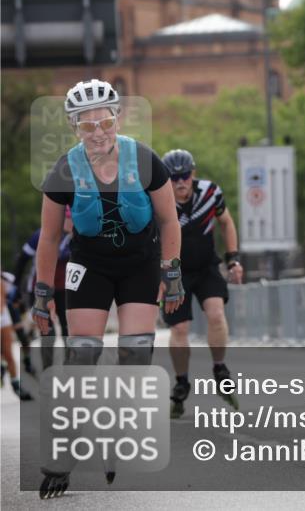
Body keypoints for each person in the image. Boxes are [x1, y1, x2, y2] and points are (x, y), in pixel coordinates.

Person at [32, 78, 183, 498]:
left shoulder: (145, 159)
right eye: (87, 126)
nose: (98, 132)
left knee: (135, 353)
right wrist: (43, 292)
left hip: (139, 265)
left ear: (118, 119)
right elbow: (47, 238)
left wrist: (171, 272)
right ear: (74, 128)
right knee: (82, 355)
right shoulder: (64, 169)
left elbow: (170, 221)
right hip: (89, 265)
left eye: (105, 122)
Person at [160, 149, 243, 418]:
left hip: (206, 265)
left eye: (184, 176)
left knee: (217, 314)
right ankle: (182, 380)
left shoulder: (210, 193)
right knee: (180, 328)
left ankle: (220, 367)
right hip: (175, 271)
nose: (180, 183)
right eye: (173, 178)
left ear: (193, 174)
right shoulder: (157, 202)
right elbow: (148, 242)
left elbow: (226, 223)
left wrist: (233, 260)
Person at [11, 209, 74, 370]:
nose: (73, 224)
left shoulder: (77, 236)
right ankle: (48, 370)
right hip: (40, 289)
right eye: (70, 220)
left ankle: (71, 368)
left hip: (64, 289)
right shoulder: (41, 234)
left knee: (70, 329)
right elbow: (22, 259)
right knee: (48, 332)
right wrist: (16, 287)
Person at [1, 270, 33, 400]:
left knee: (8, 353)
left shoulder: (6, 278)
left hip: (4, 316)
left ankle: (16, 385)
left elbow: (10, 297)